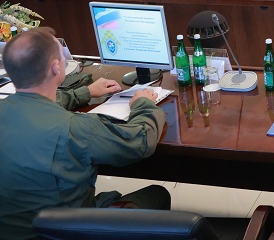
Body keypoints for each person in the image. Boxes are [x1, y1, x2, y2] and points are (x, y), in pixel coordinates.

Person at [0, 29, 169, 240]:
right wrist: (143, 104)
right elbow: (142, 141)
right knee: (157, 194)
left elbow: (39, 103)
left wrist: (86, 92)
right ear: (56, 68)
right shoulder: (75, 128)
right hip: (65, 230)